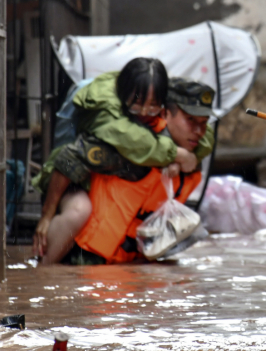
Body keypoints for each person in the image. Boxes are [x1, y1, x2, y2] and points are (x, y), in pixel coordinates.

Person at [31, 58, 214, 264]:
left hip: (119, 245)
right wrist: (47, 216)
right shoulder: (121, 136)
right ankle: (43, 268)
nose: (144, 113)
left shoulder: (173, 141)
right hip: (68, 185)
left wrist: (179, 158)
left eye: (152, 106)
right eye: (137, 105)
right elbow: (67, 161)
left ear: (162, 106)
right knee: (78, 211)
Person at [72, 77, 217, 264]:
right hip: (89, 261)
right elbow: (68, 158)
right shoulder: (131, 146)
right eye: (190, 119)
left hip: (134, 264)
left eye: (204, 122)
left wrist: (179, 158)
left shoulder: (190, 154)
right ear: (164, 114)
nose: (199, 130)